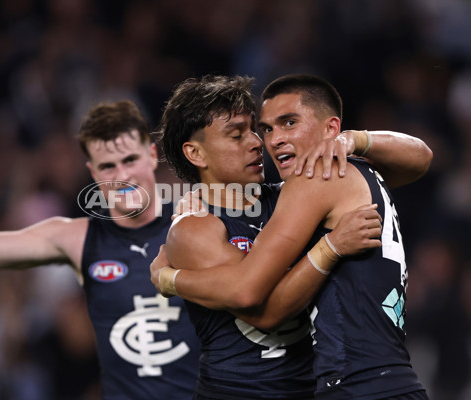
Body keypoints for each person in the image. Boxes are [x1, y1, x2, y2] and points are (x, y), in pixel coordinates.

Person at [152, 74, 432, 399]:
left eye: (256, 129)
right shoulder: (194, 228)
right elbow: (258, 306)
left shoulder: (294, 197)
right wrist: (330, 248)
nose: (259, 142)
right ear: (196, 154)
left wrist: (354, 139)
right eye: (236, 135)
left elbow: (420, 158)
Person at [0, 100, 203, 400]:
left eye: (129, 160)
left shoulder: (196, 224)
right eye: (108, 166)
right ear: (94, 173)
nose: (122, 176)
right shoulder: (76, 238)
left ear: (151, 156)